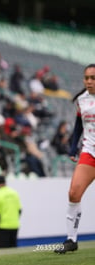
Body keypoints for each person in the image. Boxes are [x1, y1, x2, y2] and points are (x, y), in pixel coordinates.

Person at [54, 64, 95, 254]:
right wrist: (73, 148)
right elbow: (79, 124)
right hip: (90, 152)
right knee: (73, 193)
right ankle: (71, 239)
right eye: (86, 78)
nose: (89, 81)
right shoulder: (81, 100)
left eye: (93, 78)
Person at [0, 175, 22, 248]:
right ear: (5, 182)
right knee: (13, 250)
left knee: (3, 251)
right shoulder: (14, 193)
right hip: (15, 225)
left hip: (3, 227)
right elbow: (19, 210)